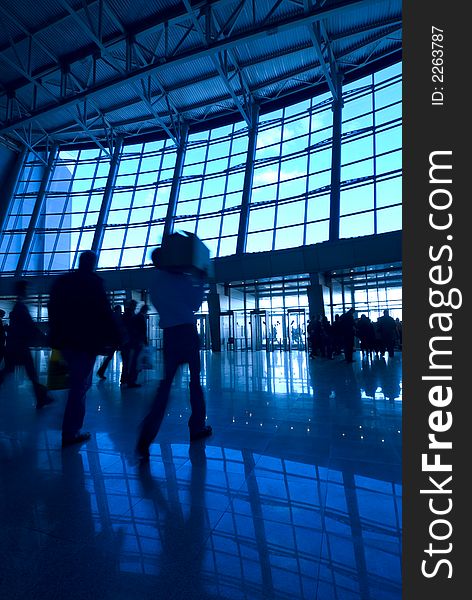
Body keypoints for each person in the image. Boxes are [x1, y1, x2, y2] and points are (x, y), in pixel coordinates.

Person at [136, 252, 212, 460]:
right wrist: (201, 281)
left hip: (170, 335)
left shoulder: (156, 283)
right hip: (187, 333)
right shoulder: (182, 278)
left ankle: (146, 435)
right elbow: (195, 304)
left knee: (165, 385)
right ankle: (197, 426)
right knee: (195, 382)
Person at [48, 250, 120, 447]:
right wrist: (117, 337)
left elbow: (52, 306)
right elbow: (104, 312)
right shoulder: (93, 283)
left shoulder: (63, 281)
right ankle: (70, 431)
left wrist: (54, 335)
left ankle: (67, 421)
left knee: (76, 383)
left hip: (65, 341)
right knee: (80, 386)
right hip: (84, 343)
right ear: (92, 263)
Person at [0, 280, 53, 408]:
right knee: (30, 373)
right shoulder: (21, 308)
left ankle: (41, 397)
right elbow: (30, 327)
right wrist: (44, 338)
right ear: (23, 291)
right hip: (20, 347)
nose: (29, 292)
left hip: (15, 346)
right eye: (28, 290)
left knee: (11, 371)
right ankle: (41, 397)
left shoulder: (18, 307)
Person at [97, 304, 125, 380]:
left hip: (113, 340)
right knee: (111, 356)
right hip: (115, 340)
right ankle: (101, 371)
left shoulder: (112, 316)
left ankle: (101, 371)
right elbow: (119, 328)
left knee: (109, 357)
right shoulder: (117, 317)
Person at [126, 303, 149, 388]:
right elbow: (142, 331)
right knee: (136, 361)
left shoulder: (136, 317)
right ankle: (132, 380)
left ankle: (131, 379)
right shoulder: (140, 317)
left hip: (135, 341)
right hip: (138, 342)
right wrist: (145, 342)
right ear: (145, 310)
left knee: (134, 361)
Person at [120, 299, 137, 386]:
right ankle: (126, 379)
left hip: (125, 342)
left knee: (126, 362)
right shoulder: (130, 315)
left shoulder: (126, 315)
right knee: (128, 361)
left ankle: (124, 379)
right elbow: (131, 328)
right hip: (128, 342)